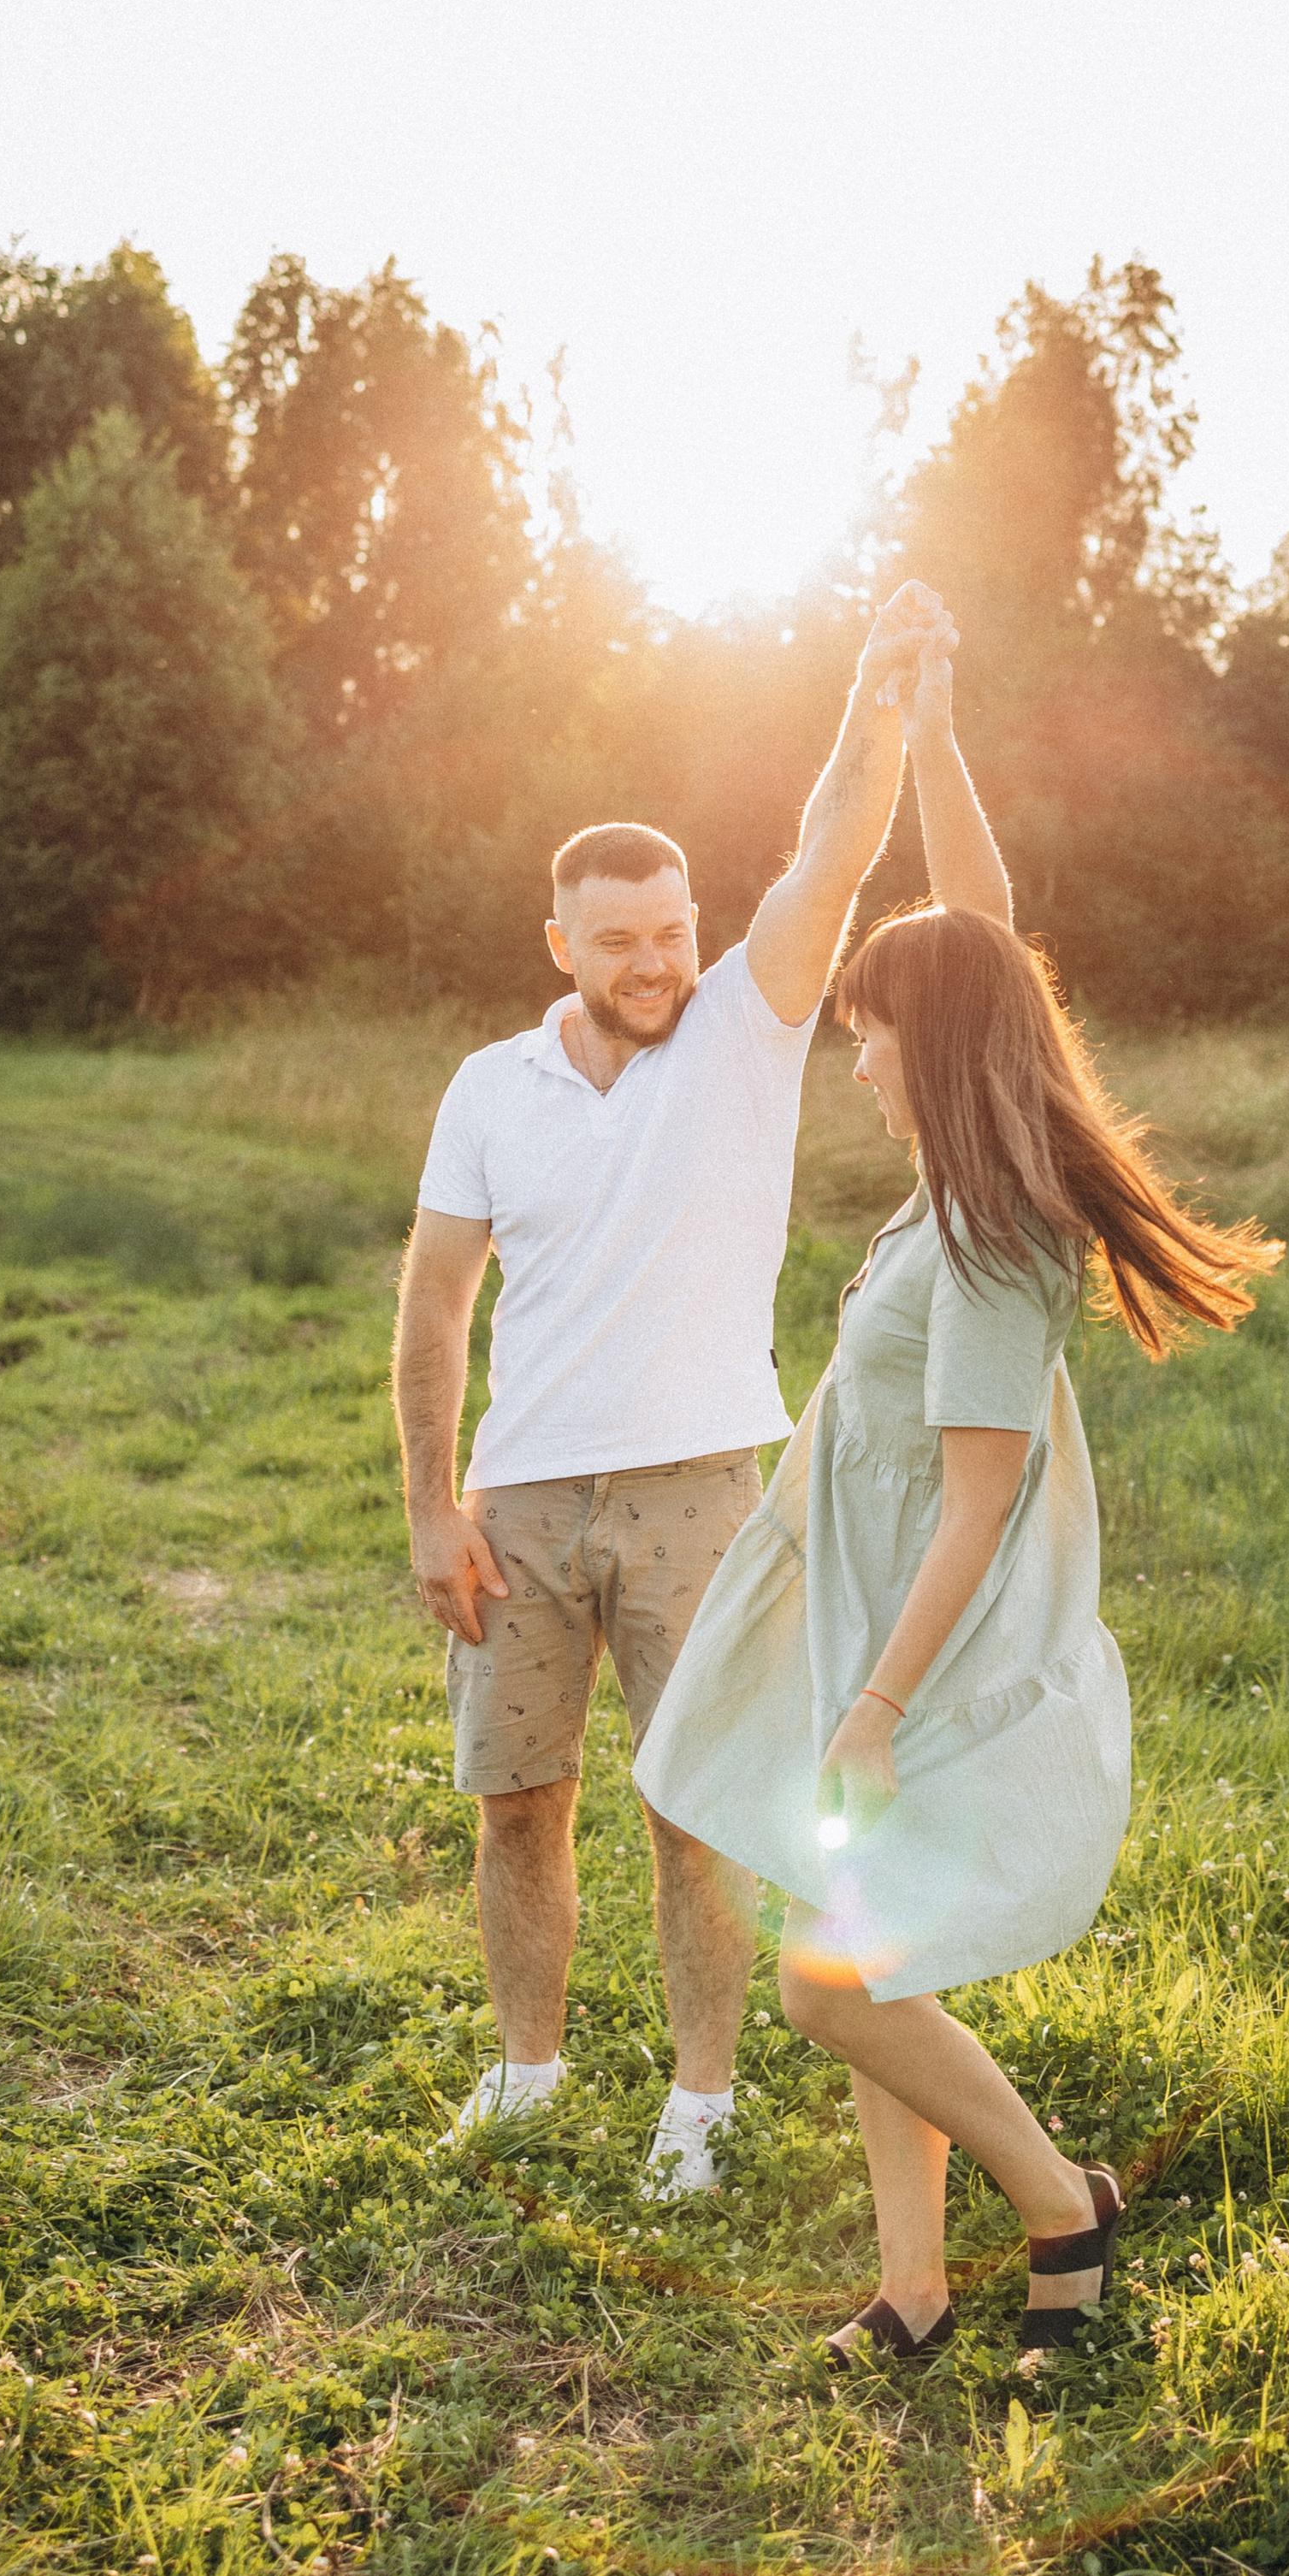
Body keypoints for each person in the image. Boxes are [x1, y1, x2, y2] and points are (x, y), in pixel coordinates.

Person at [635, 676, 1281, 2357]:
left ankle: (1059, 2199)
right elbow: (982, 933)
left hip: (924, 1655)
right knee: (873, 1968)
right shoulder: (955, 1169)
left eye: (869, 1025)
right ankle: (913, 2291)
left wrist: (868, 1710)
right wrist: (926, 738)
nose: (850, 1053)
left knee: (826, 1980)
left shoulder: (992, 1241)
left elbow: (981, 1506)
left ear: (935, 1039)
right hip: (867, 1621)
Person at [394, 579, 962, 2195]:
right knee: (520, 1804)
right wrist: (434, 1502)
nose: (655, 964)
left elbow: (835, 846)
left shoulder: (743, 1027)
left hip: (708, 1489)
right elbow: (438, 1297)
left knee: (691, 1814)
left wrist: (879, 702)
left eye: (674, 934)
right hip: (524, 1500)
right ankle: (526, 2071)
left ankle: (699, 2110)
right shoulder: (488, 1088)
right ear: (560, 944)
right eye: (620, 942)